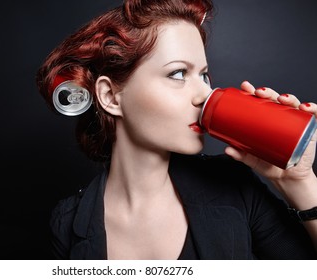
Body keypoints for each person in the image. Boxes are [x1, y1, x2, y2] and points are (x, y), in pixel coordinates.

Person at [35, 0, 317, 259]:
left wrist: (299, 182)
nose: (205, 94)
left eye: (204, 74)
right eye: (178, 73)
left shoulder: (236, 189)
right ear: (110, 96)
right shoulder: (69, 223)